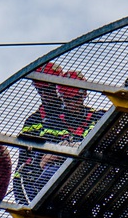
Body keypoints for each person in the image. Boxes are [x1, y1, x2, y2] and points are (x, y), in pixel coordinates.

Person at [13, 62, 103, 204]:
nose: (44, 95)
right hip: (42, 177)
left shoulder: (94, 117)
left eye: (48, 89)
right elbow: (29, 162)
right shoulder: (36, 121)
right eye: (39, 90)